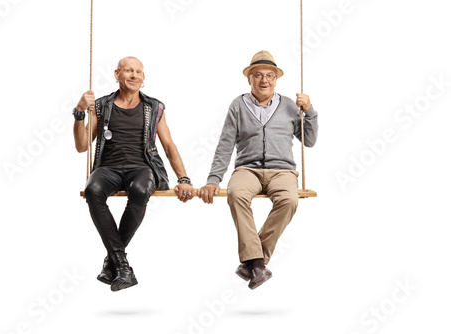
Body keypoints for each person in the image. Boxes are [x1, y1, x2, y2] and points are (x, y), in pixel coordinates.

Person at [198, 51, 319, 289]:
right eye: (258, 75)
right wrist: (214, 179)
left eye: (270, 76)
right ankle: (257, 264)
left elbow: (310, 140)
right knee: (236, 195)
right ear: (249, 79)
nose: (264, 80)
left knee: (290, 200)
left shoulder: (290, 106)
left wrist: (310, 110)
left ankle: (253, 262)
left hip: (282, 170)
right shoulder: (238, 105)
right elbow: (225, 144)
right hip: (247, 169)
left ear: (276, 79)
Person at [73, 56, 194, 292]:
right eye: (128, 70)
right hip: (107, 167)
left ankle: (115, 263)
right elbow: (81, 146)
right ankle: (122, 265)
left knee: (140, 190)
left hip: (143, 167)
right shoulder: (101, 105)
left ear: (144, 77)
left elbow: (169, 146)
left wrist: (184, 179)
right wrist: (79, 112)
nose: (134, 75)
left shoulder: (154, 107)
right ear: (117, 74)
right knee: (92, 190)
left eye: (138, 71)